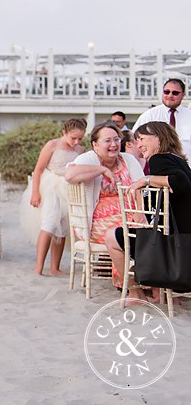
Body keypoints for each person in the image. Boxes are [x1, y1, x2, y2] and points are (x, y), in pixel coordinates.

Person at [106, 121, 191, 302]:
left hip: (171, 245)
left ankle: (135, 293)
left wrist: (145, 180)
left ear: (159, 139)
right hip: (183, 240)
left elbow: (181, 183)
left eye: (143, 139)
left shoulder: (158, 159)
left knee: (112, 237)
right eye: (137, 140)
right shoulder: (178, 159)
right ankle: (159, 293)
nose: (139, 145)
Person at [65, 122, 144, 285]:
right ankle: (131, 284)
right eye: (107, 140)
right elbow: (70, 175)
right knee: (123, 234)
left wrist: (140, 212)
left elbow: (140, 186)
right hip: (94, 222)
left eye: (116, 139)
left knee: (150, 231)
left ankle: (149, 282)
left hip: (129, 217)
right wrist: (101, 170)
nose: (114, 144)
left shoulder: (128, 160)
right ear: (95, 144)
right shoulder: (88, 159)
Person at [28, 118, 86, 276]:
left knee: (63, 227)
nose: (76, 141)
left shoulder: (80, 150)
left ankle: (55, 267)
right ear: (64, 133)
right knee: (49, 223)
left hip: (69, 189)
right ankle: (38, 267)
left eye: (80, 138)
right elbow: (38, 169)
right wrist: (35, 192)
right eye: (73, 138)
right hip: (51, 187)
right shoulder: (52, 145)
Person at [133, 78, 191, 157]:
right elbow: (134, 141)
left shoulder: (189, 116)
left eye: (175, 93)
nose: (170, 95)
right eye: (166, 92)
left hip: (186, 166)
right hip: (156, 166)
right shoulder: (149, 115)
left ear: (183, 95)